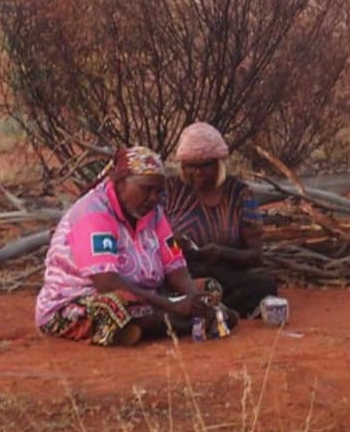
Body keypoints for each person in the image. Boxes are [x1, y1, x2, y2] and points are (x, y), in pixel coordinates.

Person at [35, 145, 214, 346]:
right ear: (120, 183)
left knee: (208, 288)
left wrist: (193, 300)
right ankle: (183, 324)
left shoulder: (155, 214)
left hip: (146, 298)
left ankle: (161, 324)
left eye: (158, 192)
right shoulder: (93, 213)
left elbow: (176, 266)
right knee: (112, 307)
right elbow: (107, 283)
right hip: (80, 300)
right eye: (146, 189)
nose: (154, 198)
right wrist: (175, 307)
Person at [165, 121, 280, 319]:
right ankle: (205, 304)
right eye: (191, 166)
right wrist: (175, 245)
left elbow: (256, 256)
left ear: (218, 163)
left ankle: (197, 306)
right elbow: (152, 241)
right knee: (161, 283)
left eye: (205, 166)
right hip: (181, 272)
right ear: (182, 166)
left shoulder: (241, 194)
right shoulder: (171, 190)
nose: (198, 172)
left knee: (264, 285)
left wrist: (222, 253)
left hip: (225, 273)